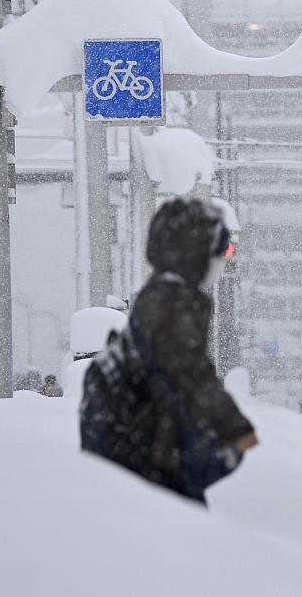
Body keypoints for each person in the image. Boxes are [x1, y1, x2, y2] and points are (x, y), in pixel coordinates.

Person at [80, 198, 258, 504]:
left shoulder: (161, 294)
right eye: (221, 251)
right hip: (147, 449)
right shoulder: (173, 303)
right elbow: (189, 371)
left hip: (142, 444)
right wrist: (236, 430)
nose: (223, 261)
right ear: (196, 253)